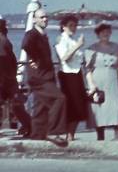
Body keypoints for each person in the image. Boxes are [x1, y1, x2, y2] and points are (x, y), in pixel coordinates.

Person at [20, 8, 67, 146]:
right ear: (34, 19)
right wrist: (34, 60)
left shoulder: (43, 35)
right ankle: (54, 132)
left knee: (41, 107)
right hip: (39, 78)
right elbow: (26, 45)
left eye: (46, 17)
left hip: (46, 76)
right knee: (59, 98)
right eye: (41, 17)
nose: (45, 19)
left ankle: (37, 136)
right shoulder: (32, 34)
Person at [85, 23, 118, 140]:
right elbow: (88, 69)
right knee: (99, 108)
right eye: (102, 32)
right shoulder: (91, 49)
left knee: (116, 107)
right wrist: (91, 84)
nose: (105, 34)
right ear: (97, 34)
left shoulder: (117, 47)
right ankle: (100, 137)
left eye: (107, 32)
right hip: (98, 79)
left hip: (113, 80)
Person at [54, 15, 87, 141]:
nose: (73, 28)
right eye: (70, 25)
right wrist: (78, 46)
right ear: (63, 27)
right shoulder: (61, 40)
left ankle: (71, 134)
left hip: (76, 73)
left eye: (75, 25)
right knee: (72, 105)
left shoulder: (72, 40)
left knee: (79, 105)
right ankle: (68, 134)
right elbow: (64, 58)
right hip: (67, 75)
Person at [0, 18, 31, 136]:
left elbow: (2, 61)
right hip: (9, 78)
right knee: (16, 105)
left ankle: (28, 126)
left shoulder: (1, 41)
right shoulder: (5, 40)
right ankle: (29, 126)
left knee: (15, 104)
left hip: (4, 80)